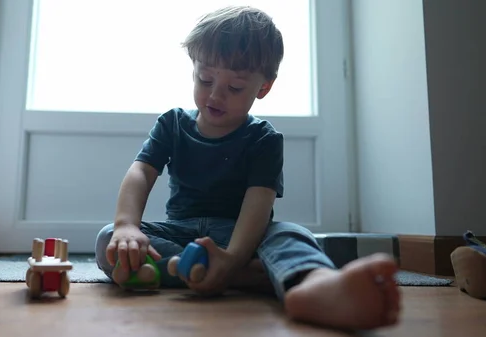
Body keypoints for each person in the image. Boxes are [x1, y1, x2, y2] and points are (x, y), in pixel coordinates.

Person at [94, 5, 401, 330]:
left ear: (263, 88)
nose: (215, 95)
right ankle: (240, 276)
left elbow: (259, 203)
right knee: (109, 238)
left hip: (243, 235)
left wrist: (235, 256)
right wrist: (127, 225)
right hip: (181, 233)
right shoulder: (172, 124)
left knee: (292, 235)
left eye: (235, 88)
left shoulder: (263, 139)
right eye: (205, 78)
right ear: (193, 70)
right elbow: (141, 172)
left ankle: (316, 287)